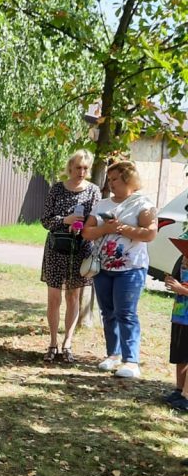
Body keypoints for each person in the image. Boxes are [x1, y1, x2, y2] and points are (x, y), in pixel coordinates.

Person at [82, 160, 156, 379]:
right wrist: (105, 228)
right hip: (102, 267)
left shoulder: (142, 203)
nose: (111, 183)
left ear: (128, 179)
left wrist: (122, 228)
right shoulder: (102, 204)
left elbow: (150, 233)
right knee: (108, 312)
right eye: (109, 179)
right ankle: (113, 355)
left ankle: (131, 361)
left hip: (131, 268)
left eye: (115, 179)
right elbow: (87, 232)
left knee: (126, 312)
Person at [40, 150, 101, 364]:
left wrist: (82, 227)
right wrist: (66, 220)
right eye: (78, 168)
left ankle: (68, 343)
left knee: (73, 296)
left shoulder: (93, 191)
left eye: (85, 168)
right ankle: (52, 342)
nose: (81, 172)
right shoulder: (57, 189)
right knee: (54, 297)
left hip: (80, 249)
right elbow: (45, 220)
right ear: (70, 168)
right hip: (57, 248)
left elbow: (96, 221)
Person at [163, 255, 188, 410]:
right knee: (181, 355)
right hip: (181, 315)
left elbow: (181, 287)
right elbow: (177, 279)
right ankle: (179, 390)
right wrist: (171, 282)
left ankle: (187, 395)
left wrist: (182, 289)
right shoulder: (183, 256)